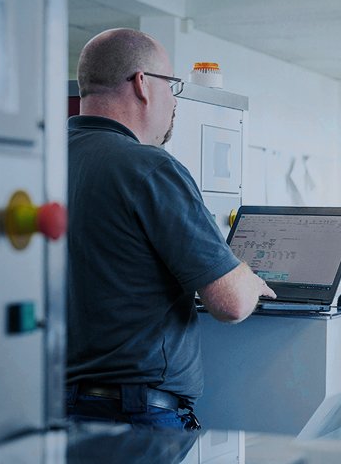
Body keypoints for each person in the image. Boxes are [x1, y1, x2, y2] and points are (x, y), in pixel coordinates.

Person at [66, 28, 276, 431]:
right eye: (172, 85)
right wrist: (248, 277)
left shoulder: (43, 159)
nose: (174, 100)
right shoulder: (150, 168)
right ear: (143, 84)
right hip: (135, 419)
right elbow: (230, 304)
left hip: (54, 408)